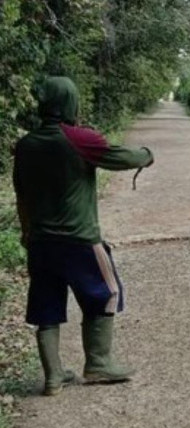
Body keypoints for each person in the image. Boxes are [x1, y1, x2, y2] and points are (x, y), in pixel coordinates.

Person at [13, 76, 154, 396]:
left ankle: (53, 376)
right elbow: (121, 157)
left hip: (40, 242)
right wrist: (146, 154)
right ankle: (99, 363)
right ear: (70, 103)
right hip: (80, 240)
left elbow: (21, 194)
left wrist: (26, 232)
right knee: (106, 292)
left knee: (45, 305)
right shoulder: (79, 138)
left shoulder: (25, 145)